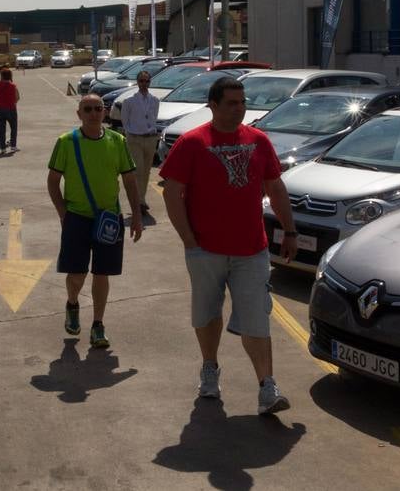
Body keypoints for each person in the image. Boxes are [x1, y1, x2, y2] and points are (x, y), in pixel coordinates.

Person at [160, 76, 298, 416]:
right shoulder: (193, 143)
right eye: (232, 103)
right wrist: (189, 240)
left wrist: (289, 230)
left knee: (256, 319)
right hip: (205, 250)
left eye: (242, 102)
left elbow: (276, 188)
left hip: (251, 250)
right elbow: (171, 192)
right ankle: (210, 367)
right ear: (213, 105)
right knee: (207, 313)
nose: (240, 108)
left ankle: (267, 387)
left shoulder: (258, 140)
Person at [47, 93, 142, 349]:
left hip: (109, 219)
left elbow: (130, 180)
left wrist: (137, 215)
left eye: (97, 108)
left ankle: (98, 325)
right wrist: (62, 213)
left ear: (105, 112)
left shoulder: (117, 141)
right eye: (87, 109)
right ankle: (73, 303)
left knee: (102, 274)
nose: (92, 113)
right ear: (79, 114)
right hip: (76, 218)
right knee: (76, 274)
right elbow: (53, 181)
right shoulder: (67, 142)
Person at [118, 69, 160, 220]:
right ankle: (139, 202)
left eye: (147, 81)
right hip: (134, 138)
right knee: (138, 171)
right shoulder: (129, 101)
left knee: (147, 171)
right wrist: (131, 133)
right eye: (141, 81)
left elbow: (153, 118)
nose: (144, 84)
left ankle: (142, 199)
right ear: (137, 82)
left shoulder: (155, 100)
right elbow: (125, 119)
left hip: (150, 138)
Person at [0, 67, 20, 152]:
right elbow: (17, 97)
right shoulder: (13, 86)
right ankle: (13, 146)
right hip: (11, 108)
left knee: (2, 128)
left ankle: (3, 148)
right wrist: (12, 102)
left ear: (2, 76)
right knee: (13, 128)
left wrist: (0, 101)